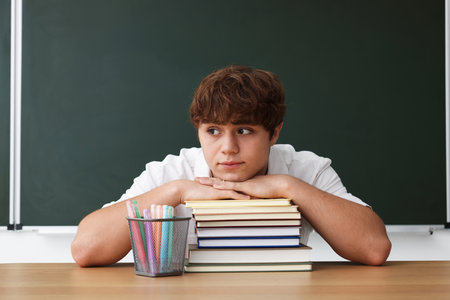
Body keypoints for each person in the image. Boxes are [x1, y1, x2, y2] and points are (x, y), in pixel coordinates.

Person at [71, 65, 391, 267]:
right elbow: (86, 249)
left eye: (244, 130)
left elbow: (374, 249)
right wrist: (178, 190)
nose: (228, 148)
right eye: (213, 131)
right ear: (198, 131)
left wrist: (288, 186)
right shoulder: (170, 172)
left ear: (274, 132)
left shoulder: (305, 169)